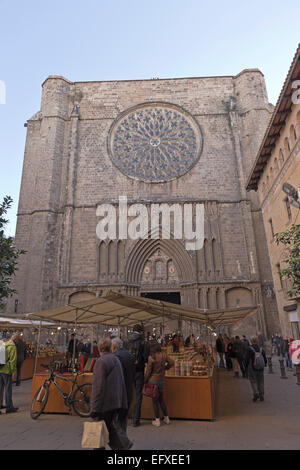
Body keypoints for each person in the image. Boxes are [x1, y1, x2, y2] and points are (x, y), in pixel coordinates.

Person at [90, 337, 132, 450]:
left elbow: (98, 387)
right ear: (110, 347)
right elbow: (121, 381)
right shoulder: (115, 359)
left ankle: (123, 446)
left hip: (104, 404)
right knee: (109, 430)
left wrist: (94, 408)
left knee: (99, 434)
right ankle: (124, 445)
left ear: (99, 348)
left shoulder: (101, 362)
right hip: (115, 402)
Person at [144, 340, 174, 427]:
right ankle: (166, 418)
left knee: (155, 401)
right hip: (161, 380)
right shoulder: (164, 355)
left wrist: (145, 380)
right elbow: (172, 362)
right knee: (161, 400)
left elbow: (148, 372)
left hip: (153, 381)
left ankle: (157, 420)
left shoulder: (151, 358)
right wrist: (165, 368)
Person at [124, 324, 150, 427]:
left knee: (127, 393)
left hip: (128, 370)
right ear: (141, 331)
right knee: (138, 395)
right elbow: (146, 358)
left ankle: (122, 417)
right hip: (139, 370)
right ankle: (135, 420)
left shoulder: (126, 341)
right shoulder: (144, 342)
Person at [111, 337, 135, 433]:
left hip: (119, 393)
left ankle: (120, 443)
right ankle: (123, 440)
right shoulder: (129, 355)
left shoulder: (116, 357)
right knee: (123, 419)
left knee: (117, 421)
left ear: (114, 347)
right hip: (128, 391)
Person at [0, 334, 21, 414]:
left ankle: (0, 405)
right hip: (7, 370)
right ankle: (9, 407)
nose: (18, 342)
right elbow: (13, 361)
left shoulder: (3, 344)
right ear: (16, 339)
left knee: (0, 388)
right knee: (8, 389)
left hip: (0, 369)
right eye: (18, 340)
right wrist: (14, 373)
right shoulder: (12, 347)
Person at [245, 336, 267, 402]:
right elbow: (264, 358)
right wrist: (264, 364)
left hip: (252, 367)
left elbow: (246, 359)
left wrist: (245, 367)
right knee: (261, 381)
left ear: (251, 341)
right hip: (260, 367)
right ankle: (261, 395)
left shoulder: (249, 349)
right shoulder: (261, 348)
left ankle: (256, 393)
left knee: (253, 380)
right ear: (257, 341)